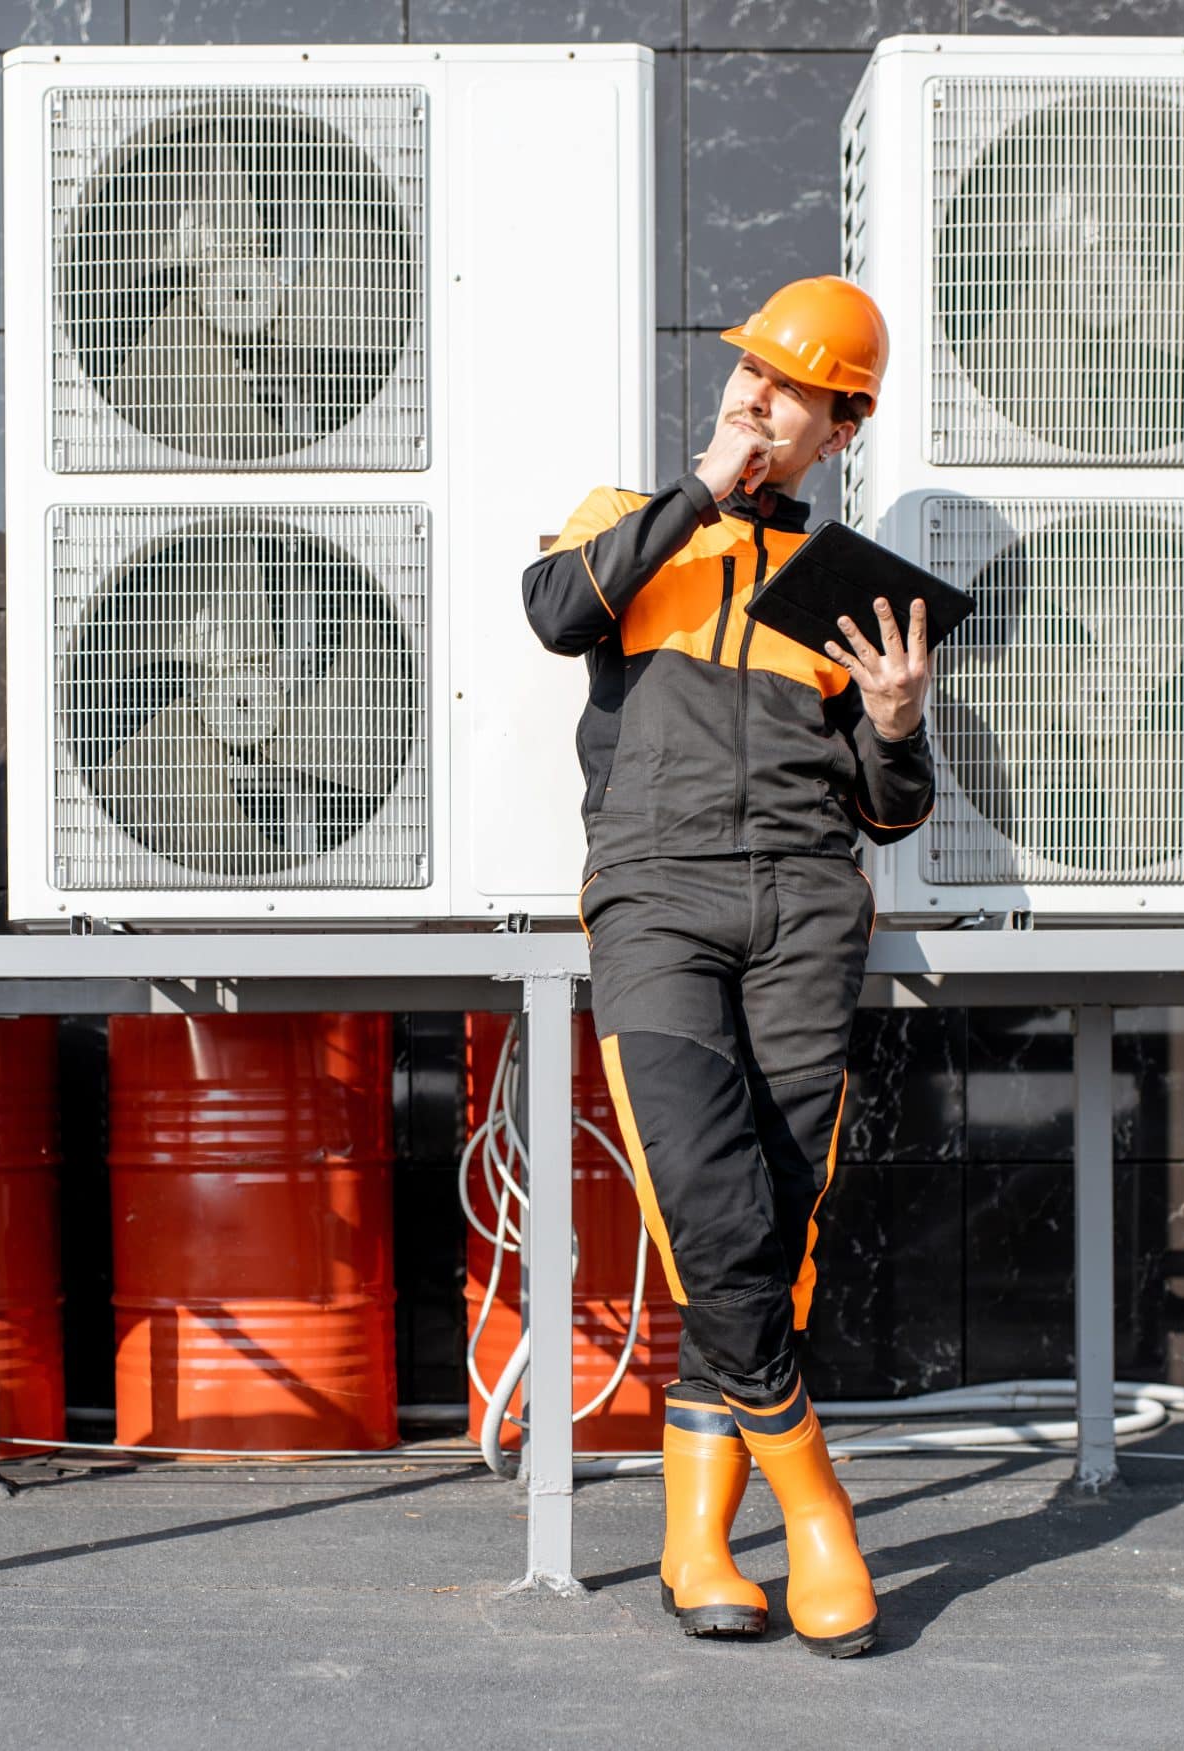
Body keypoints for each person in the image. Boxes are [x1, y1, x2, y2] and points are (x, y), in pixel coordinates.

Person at [519, 275, 936, 1658]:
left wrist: (893, 719)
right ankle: (817, 1504)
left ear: (839, 430)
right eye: (751, 371)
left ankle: (696, 1540)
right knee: (713, 1201)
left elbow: (887, 811)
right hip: (658, 901)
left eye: (793, 390)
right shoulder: (626, 531)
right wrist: (698, 494)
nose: (758, 397)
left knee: (778, 1224)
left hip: (812, 912)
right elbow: (553, 612)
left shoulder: (850, 592)